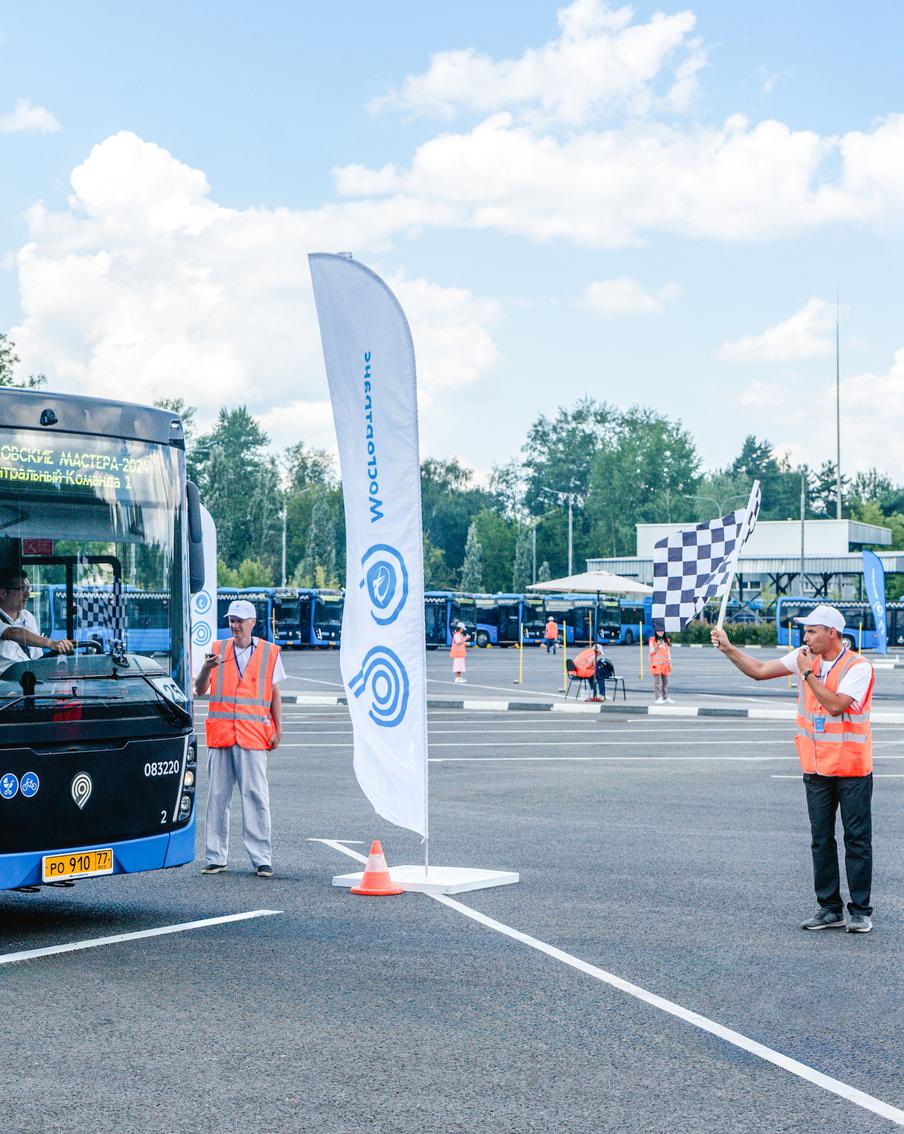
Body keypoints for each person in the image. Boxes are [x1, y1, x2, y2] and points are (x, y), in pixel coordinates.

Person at [711, 604, 875, 933]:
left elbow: (834, 705)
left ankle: (860, 911)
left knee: (856, 840)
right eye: (805, 630)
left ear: (832, 633)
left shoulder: (858, 666)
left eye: (812, 630)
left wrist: (806, 673)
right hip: (816, 767)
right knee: (821, 839)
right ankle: (830, 909)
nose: (805, 636)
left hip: (852, 768)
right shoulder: (804, 656)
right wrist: (728, 648)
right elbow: (758, 670)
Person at [195, 598, 283, 878]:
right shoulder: (217, 650)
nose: (234, 625)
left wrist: (278, 729)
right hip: (221, 736)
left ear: (252, 623)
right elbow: (199, 688)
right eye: (231, 620)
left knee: (255, 796)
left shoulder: (269, 653)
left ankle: (261, 859)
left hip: (253, 736)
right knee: (217, 798)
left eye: (239, 621)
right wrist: (208, 667)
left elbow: (275, 694)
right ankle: (215, 857)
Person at [0, 571, 75, 674]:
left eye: (28, 588)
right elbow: (12, 632)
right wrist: (51, 643)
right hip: (4, 684)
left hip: (29, 679)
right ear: (2, 593)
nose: (28, 595)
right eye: (22, 589)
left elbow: (37, 657)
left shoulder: (28, 617)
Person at [649, 628, 673, 703]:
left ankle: (665, 697)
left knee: (665, 682)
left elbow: (668, 652)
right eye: (659, 630)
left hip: (665, 665)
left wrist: (670, 663)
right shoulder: (652, 640)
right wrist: (657, 645)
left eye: (662, 630)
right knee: (657, 682)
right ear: (656, 631)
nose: (661, 632)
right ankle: (658, 698)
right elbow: (651, 651)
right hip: (656, 665)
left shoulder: (666, 640)